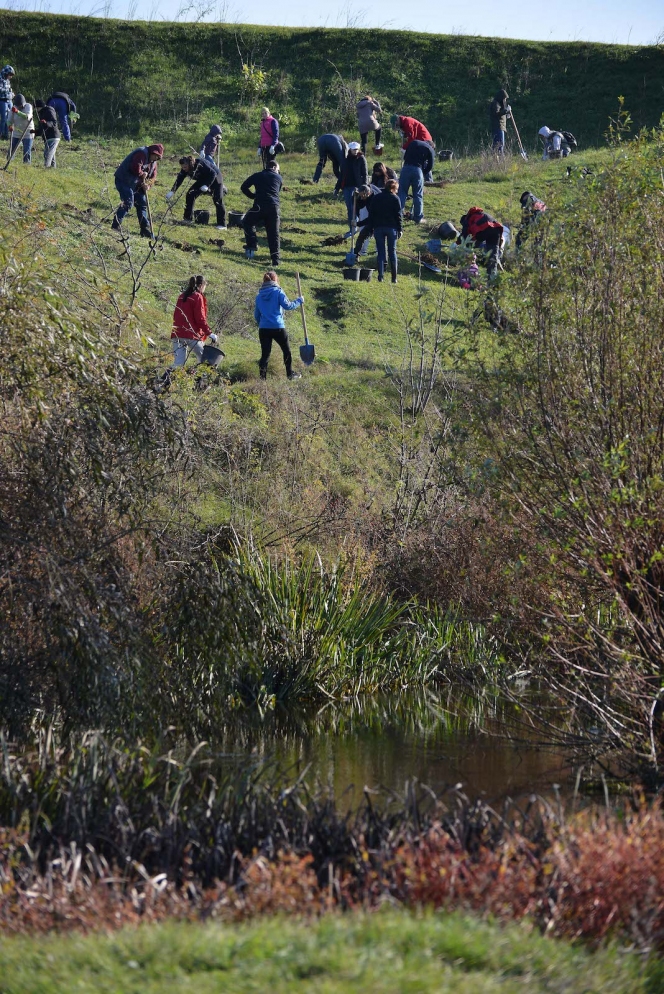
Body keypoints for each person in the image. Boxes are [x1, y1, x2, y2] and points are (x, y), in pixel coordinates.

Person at [254, 270, 304, 381]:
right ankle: (290, 374)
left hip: (264, 329)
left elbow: (256, 315)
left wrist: (262, 324)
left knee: (265, 355)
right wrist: (299, 301)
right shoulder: (278, 292)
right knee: (286, 351)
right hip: (278, 327)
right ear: (276, 280)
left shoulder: (259, 296)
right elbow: (288, 306)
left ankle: (262, 380)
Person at [112, 143, 164, 237]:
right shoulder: (141, 153)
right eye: (155, 156)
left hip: (136, 184)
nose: (155, 159)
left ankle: (145, 229)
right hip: (124, 180)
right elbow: (135, 167)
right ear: (152, 152)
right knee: (128, 202)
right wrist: (141, 174)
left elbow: (152, 177)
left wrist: (148, 185)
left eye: (157, 158)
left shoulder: (153, 163)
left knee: (142, 204)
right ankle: (116, 225)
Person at [170, 274, 217, 367]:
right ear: (201, 285)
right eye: (205, 286)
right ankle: (201, 380)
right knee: (206, 360)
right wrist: (209, 333)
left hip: (177, 334)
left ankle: (162, 380)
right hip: (191, 334)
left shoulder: (181, 296)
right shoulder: (197, 297)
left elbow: (176, 315)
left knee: (178, 365)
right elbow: (200, 319)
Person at [241, 159, 282, 265]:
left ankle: (252, 244)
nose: (278, 172)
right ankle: (275, 260)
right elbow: (277, 191)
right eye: (278, 170)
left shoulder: (257, 175)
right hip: (274, 208)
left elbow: (243, 187)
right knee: (274, 234)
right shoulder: (279, 178)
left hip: (259, 206)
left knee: (247, 222)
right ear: (274, 168)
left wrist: (253, 196)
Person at [169, 155, 227, 230]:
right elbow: (179, 179)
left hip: (216, 177)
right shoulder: (185, 169)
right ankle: (187, 219)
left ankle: (222, 224)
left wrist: (207, 185)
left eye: (185, 167)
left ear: (190, 164)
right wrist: (172, 191)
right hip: (203, 179)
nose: (183, 169)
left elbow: (213, 173)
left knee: (217, 199)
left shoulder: (200, 164)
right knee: (190, 194)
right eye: (182, 167)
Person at [367, 178, 402, 283]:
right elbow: (398, 216)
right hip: (391, 228)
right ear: (394, 188)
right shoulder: (395, 199)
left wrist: (371, 228)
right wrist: (400, 229)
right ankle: (394, 278)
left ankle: (380, 276)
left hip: (378, 227)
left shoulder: (376, 198)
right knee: (392, 252)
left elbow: (371, 214)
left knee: (381, 252)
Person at [459, 206, 504, 281]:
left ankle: (468, 269)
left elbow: (464, 235)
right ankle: (492, 279)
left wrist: (459, 245)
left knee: (469, 247)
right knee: (493, 257)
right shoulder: (482, 215)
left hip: (484, 230)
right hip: (497, 230)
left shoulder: (467, 220)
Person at [398, 139, 434, 225]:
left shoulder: (414, 142)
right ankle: (418, 218)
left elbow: (405, 156)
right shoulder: (430, 149)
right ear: (432, 146)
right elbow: (430, 165)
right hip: (417, 170)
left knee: (402, 192)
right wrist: (423, 173)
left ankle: (398, 215)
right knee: (417, 194)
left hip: (405, 168)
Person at [339, 141, 368, 232]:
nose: (355, 151)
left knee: (354, 208)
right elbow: (342, 174)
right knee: (349, 208)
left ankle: (356, 227)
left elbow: (365, 174)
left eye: (356, 149)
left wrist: (364, 186)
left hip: (356, 186)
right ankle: (351, 228)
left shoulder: (361, 159)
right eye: (353, 149)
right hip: (346, 187)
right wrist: (337, 187)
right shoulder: (346, 160)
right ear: (350, 149)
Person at [7, 94, 34, 164]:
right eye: (18, 105)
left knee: (26, 151)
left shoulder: (28, 106)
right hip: (16, 132)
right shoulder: (13, 108)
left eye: (21, 105)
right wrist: (9, 125)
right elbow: (9, 120)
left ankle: (26, 166)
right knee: (11, 150)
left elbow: (27, 117)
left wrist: (17, 112)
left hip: (28, 132)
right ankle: (9, 162)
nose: (19, 106)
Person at [34, 100, 60, 167]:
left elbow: (54, 122)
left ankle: (46, 167)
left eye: (36, 108)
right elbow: (41, 128)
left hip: (53, 136)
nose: (36, 110)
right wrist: (35, 132)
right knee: (51, 154)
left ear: (40, 107)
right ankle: (52, 169)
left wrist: (46, 122)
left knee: (48, 153)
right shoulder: (41, 113)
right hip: (47, 137)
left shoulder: (49, 110)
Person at [489, 89, 510, 155]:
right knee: (499, 144)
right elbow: (496, 113)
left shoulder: (500, 104)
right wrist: (506, 111)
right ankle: (499, 159)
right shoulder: (496, 104)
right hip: (498, 127)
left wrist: (507, 115)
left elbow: (501, 115)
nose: (505, 100)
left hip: (500, 127)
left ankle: (497, 159)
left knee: (500, 144)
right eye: (504, 98)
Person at [0, 65, 15, 140]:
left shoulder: (7, 80)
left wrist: (12, 94)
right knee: (4, 118)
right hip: (2, 100)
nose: (11, 77)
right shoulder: (0, 79)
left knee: (11, 116)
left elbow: (10, 89)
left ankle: (8, 134)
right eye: (10, 75)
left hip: (9, 100)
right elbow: (1, 89)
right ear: (6, 73)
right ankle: (2, 134)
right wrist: (9, 93)